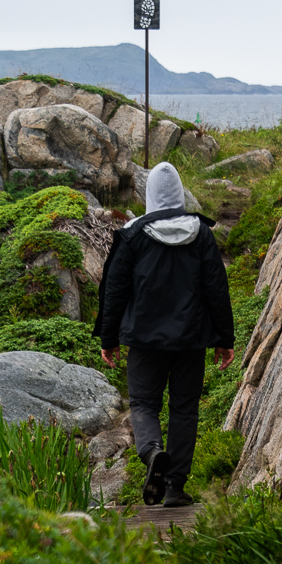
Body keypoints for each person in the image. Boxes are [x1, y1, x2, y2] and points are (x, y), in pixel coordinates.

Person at [98, 162, 234, 507]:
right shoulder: (201, 233)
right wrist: (224, 338)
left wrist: (108, 338)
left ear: (149, 195)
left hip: (145, 339)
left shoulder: (132, 235)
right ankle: (174, 486)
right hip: (191, 339)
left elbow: (114, 290)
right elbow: (217, 288)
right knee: (184, 409)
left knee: (144, 403)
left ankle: (152, 451)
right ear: (179, 194)